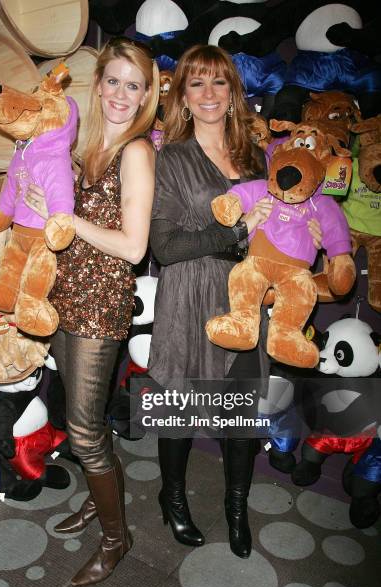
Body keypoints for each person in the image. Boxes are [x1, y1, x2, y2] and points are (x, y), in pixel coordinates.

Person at [148, 44, 322, 558]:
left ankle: (236, 507)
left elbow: (282, 226)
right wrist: (236, 233)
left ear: (233, 92)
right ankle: (173, 498)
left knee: (241, 413)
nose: (207, 93)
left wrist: (306, 237)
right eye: (195, 82)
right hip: (189, 292)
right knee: (179, 409)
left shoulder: (257, 156)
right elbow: (166, 246)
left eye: (218, 82)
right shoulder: (172, 158)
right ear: (181, 95)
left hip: (247, 297)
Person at [24, 37, 160, 586]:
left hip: (100, 305)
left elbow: (133, 246)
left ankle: (115, 539)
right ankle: (102, 507)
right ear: (97, 82)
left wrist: (67, 220)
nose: (121, 93)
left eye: (134, 85)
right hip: (63, 296)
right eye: (113, 80)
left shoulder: (136, 151)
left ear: (147, 93)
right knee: (92, 426)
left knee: (82, 435)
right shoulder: (82, 141)